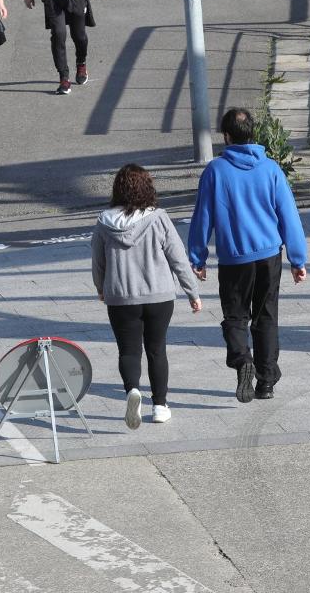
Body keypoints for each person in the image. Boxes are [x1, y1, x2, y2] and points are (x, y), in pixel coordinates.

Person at [187, 107, 307, 403]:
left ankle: (243, 361)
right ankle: (266, 382)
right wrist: (298, 259)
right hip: (269, 255)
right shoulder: (270, 169)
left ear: (226, 136)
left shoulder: (215, 171)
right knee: (266, 317)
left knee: (236, 317)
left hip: (234, 258)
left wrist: (197, 257)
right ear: (252, 134)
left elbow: (202, 217)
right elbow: (288, 216)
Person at [92, 164, 202, 429]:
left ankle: (132, 390)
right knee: (156, 350)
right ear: (147, 188)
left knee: (128, 351)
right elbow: (177, 257)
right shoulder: (159, 217)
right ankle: (160, 406)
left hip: (121, 296)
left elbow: (98, 261)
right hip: (159, 296)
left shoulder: (104, 221)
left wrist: (101, 288)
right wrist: (192, 292)